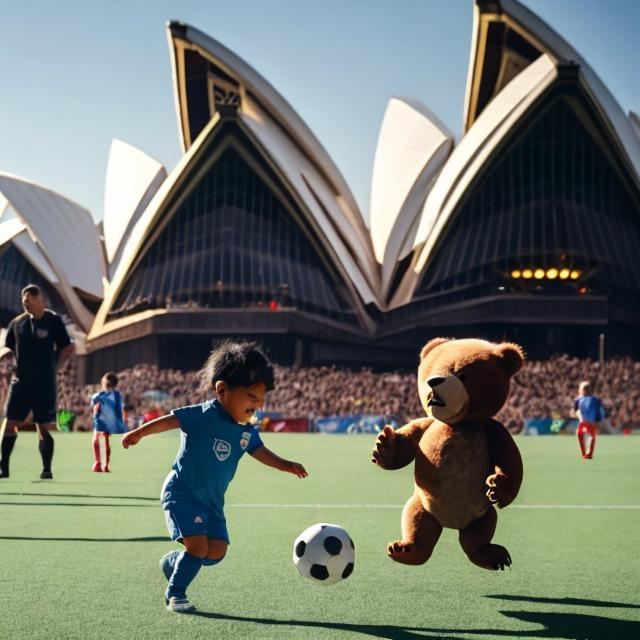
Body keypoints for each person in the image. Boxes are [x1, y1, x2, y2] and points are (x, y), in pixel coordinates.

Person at [121, 340, 308, 614]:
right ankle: (176, 594)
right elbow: (171, 421)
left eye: (260, 400)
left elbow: (260, 451)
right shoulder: (202, 415)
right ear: (222, 390)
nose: (256, 406)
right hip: (183, 494)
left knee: (216, 551)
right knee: (198, 549)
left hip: (212, 502)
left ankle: (174, 563)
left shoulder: (246, 430)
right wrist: (139, 433)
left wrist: (286, 465)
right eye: (251, 398)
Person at [0, 284, 74, 479]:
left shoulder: (53, 320)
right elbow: (8, 347)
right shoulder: (17, 323)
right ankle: (3, 468)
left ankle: (47, 469)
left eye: (28, 302)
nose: (25, 305)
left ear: (39, 300)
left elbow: (68, 347)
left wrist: (56, 367)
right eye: (23, 302)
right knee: (9, 423)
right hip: (21, 382)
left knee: (42, 425)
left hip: (44, 383)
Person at [91, 372, 128, 472]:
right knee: (95, 442)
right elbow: (94, 405)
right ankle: (98, 462)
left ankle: (104, 464)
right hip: (99, 421)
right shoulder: (98, 395)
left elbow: (118, 409)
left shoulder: (115, 395)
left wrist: (118, 423)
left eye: (107, 384)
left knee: (104, 442)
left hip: (108, 422)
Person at [574, 380, 605, 459]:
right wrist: (598, 422)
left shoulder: (578, 400)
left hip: (584, 423)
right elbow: (599, 413)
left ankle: (585, 454)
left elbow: (576, 411)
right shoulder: (596, 400)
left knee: (581, 435)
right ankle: (588, 454)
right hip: (591, 423)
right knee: (590, 436)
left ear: (582, 390)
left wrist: (578, 416)